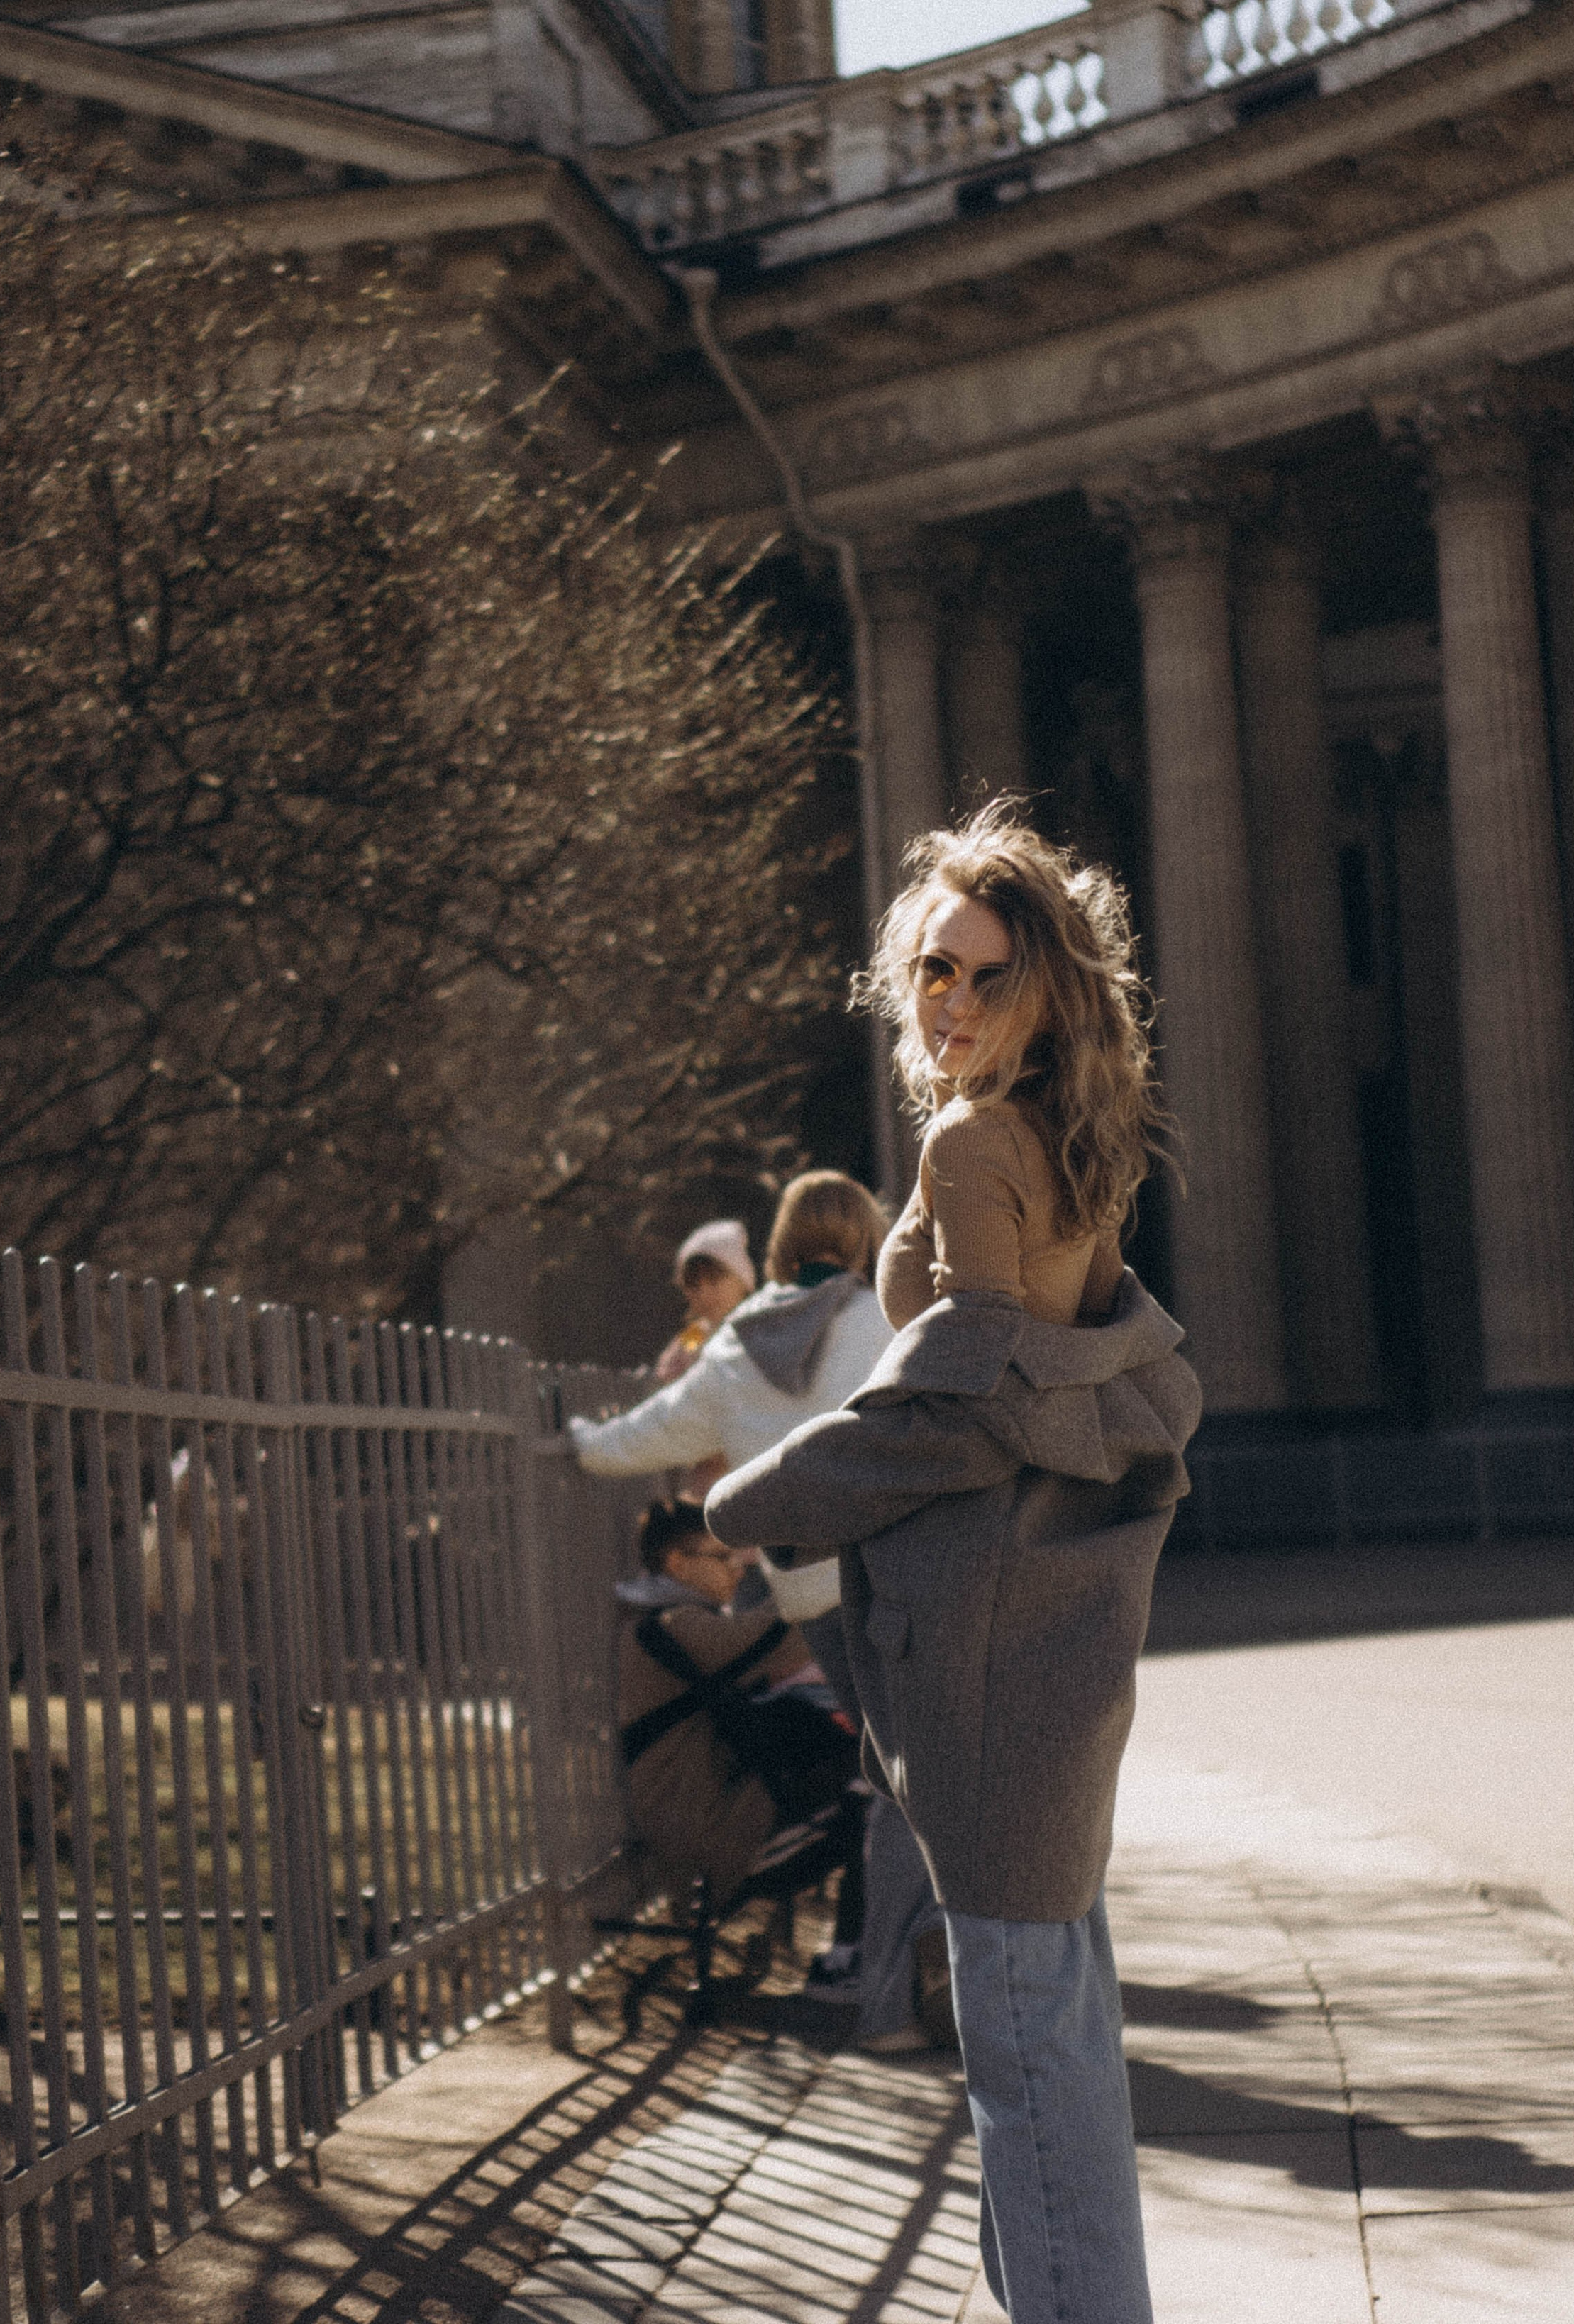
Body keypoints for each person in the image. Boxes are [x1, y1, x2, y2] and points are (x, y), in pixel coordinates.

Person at [708, 804, 1202, 2324]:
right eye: (934, 970)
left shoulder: (974, 1140)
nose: (954, 1003)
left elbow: (967, 1395)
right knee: (1058, 2027)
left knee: (1026, 2054)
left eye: (988, 975)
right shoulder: (1070, 1141)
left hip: (988, 1642)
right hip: (1055, 1633)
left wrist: (756, 1498)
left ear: (1047, 986)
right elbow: (1087, 1370)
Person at [572, 1172, 951, 2044]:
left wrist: (580, 1441)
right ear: (862, 1237)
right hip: (895, 1578)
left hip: (809, 1593)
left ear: (779, 1243)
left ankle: (898, 1975)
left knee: (895, 1776)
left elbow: (643, 1437)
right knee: (915, 1781)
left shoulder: (735, 1348)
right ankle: (894, 1994)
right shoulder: (883, 1323)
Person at [616, 1499, 861, 1920]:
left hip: (711, 1823)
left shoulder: (661, 1622)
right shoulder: (671, 1626)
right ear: (677, 1563)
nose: (738, 1569)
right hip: (714, 1847)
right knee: (878, 1810)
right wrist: (827, 1576)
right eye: (722, 1557)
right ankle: (856, 1951)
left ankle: (861, 1947)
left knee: (871, 1788)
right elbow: (771, 1638)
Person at [653, 1219, 757, 1383]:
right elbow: (666, 1377)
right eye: (693, 1285)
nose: (704, 1294)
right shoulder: (697, 1333)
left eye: (714, 1280)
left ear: (742, 1282)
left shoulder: (760, 1329)